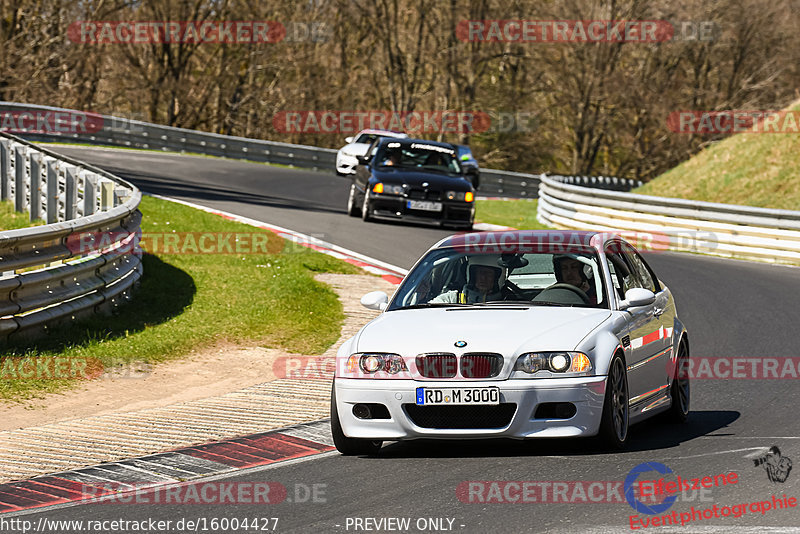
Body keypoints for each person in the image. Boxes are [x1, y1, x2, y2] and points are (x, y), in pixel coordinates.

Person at [430, 255, 504, 304]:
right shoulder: (453, 299)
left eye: (489, 274)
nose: (483, 278)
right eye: (480, 273)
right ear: (472, 275)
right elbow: (429, 311)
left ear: (497, 277)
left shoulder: (507, 302)